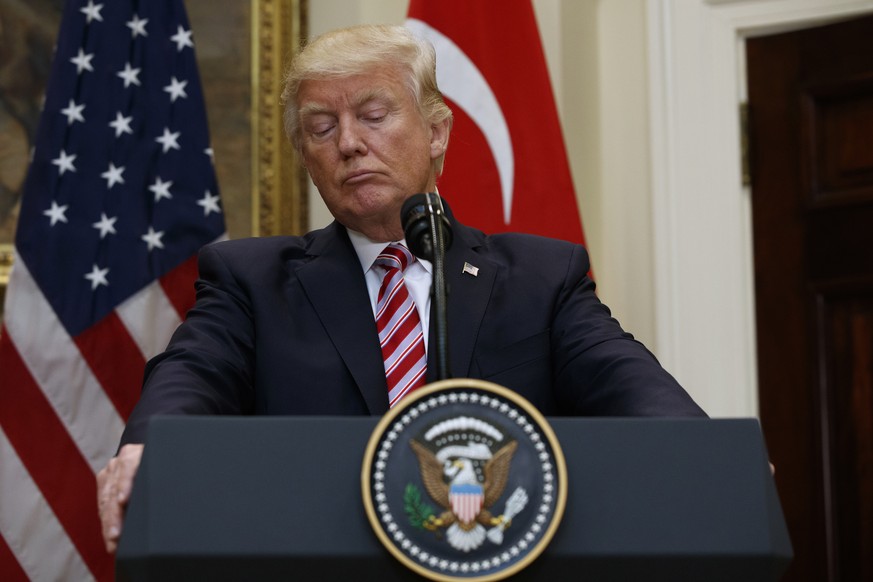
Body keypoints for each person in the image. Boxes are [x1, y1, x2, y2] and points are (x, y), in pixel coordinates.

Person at [97, 23, 706, 553]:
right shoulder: (251, 282)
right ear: (305, 157)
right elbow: (192, 371)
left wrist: (706, 454)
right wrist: (150, 448)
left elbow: (623, 377)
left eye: (373, 114)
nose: (349, 143)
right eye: (321, 127)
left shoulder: (542, 278)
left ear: (436, 132)